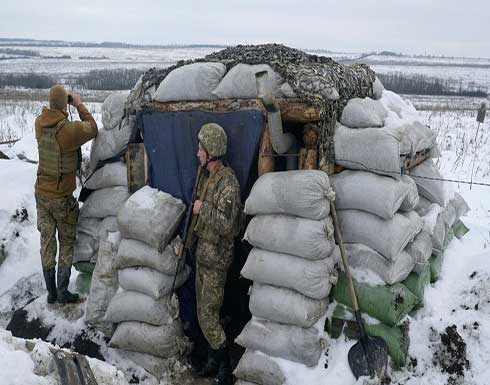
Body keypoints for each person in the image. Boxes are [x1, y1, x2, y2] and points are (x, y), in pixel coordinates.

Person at [35, 85, 97, 304]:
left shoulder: (39, 124)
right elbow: (93, 127)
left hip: (41, 195)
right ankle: (62, 292)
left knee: (47, 242)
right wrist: (78, 105)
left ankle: (51, 292)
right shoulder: (69, 131)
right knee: (67, 241)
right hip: (61, 198)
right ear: (64, 103)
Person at [192, 123, 241, 385]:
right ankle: (212, 362)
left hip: (216, 260)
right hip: (204, 256)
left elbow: (227, 224)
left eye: (201, 148)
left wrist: (203, 208)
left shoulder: (228, 182)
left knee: (208, 316)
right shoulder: (206, 176)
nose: (197, 152)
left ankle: (225, 370)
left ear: (212, 151)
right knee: (203, 313)